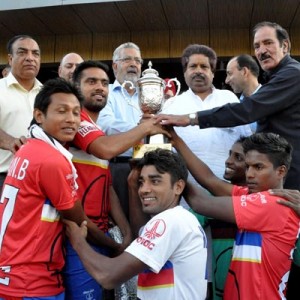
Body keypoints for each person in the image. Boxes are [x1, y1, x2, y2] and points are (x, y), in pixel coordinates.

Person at [0, 78, 122, 299]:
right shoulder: (52, 161)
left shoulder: (29, 148)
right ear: (39, 115)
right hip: (33, 280)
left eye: (76, 112)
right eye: (62, 111)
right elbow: (78, 220)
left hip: (13, 272)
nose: (71, 119)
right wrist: (116, 246)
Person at [155, 21, 300, 191]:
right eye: (257, 46)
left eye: (268, 43)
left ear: (285, 46)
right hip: (186, 187)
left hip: (289, 178)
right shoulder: (171, 104)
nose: (261, 51)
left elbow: (246, 112)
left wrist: (190, 118)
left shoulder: (292, 74)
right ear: (184, 72)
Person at [160, 44, 251, 296]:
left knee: (225, 265)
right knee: (190, 268)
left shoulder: (229, 100)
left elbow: (247, 146)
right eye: (193, 66)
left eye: (205, 67)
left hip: (226, 199)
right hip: (185, 199)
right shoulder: (171, 106)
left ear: (213, 72)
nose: (199, 71)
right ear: (184, 71)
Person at [64, 149, 208, 300]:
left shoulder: (170, 220)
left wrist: (78, 241)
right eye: (141, 182)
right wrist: (132, 185)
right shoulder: (182, 219)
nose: (144, 190)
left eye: (155, 181)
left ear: (178, 187)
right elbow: (141, 235)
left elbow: (108, 276)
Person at [181, 132, 299, 300]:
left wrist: (173, 169)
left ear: (281, 171)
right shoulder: (255, 196)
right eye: (248, 166)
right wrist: (175, 139)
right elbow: (210, 181)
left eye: (258, 167)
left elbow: (200, 202)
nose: (249, 174)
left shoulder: (273, 204)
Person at [61, 60, 132, 299]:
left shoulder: (96, 126)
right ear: (75, 86)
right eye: (91, 82)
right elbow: (105, 150)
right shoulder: (74, 120)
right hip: (79, 236)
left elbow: (107, 186)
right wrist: (147, 126)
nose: (100, 87)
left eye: (104, 83)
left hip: (100, 234)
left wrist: (125, 230)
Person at [97, 42, 143, 219]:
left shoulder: (150, 94)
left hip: (149, 164)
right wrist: (144, 129)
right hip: (119, 167)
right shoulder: (104, 92)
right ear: (115, 65)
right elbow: (107, 126)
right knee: (120, 223)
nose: (133, 64)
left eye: (138, 61)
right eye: (127, 59)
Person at [0, 35, 43, 191]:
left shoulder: (48, 93)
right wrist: (10, 142)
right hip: (5, 179)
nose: (30, 58)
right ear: (10, 59)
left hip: (42, 181)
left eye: (35, 53)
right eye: (22, 52)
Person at [225, 54, 262, 132]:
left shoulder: (272, 101)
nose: (226, 81)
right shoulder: (235, 103)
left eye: (230, 73)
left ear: (244, 72)